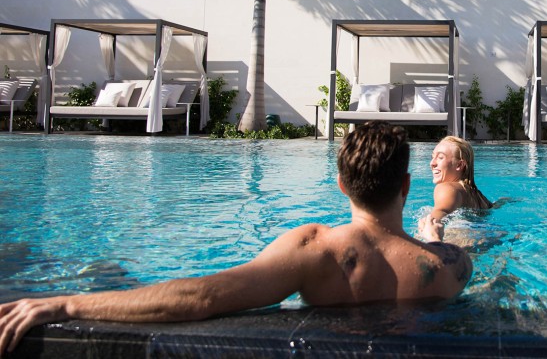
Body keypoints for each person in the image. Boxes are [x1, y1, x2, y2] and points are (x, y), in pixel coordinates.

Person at [0, 121, 472, 355]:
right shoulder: (449, 264)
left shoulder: (316, 247)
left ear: (342, 184)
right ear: (408, 187)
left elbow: (201, 297)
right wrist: (430, 240)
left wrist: (68, 305)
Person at [418, 136, 492, 243]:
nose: (432, 163)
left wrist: (429, 229)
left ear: (459, 165)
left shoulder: (447, 188)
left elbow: (441, 211)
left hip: (456, 246)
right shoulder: (479, 196)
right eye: (433, 157)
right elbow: (493, 207)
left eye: (440, 157)